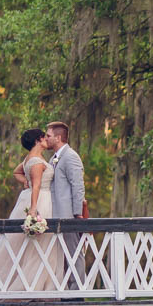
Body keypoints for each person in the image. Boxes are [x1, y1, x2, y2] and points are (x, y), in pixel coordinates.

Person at [0, 128, 63, 297]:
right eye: (44, 137)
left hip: (31, 198)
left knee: (29, 245)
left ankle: (37, 285)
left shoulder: (29, 159)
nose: (46, 140)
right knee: (37, 245)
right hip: (39, 200)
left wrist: (24, 181)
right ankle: (32, 287)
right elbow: (36, 186)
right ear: (38, 140)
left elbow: (16, 172)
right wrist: (34, 209)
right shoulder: (36, 161)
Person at [45, 121, 87, 290]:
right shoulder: (53, 158)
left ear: (58, 137)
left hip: (69, 215)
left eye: (48, 136)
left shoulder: (71, 156)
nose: (46, 139)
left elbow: (78, 186)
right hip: (55, 215)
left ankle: (77, 291)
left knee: (74, 253)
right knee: (60, 255)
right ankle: (64, 289)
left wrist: (77, 213)